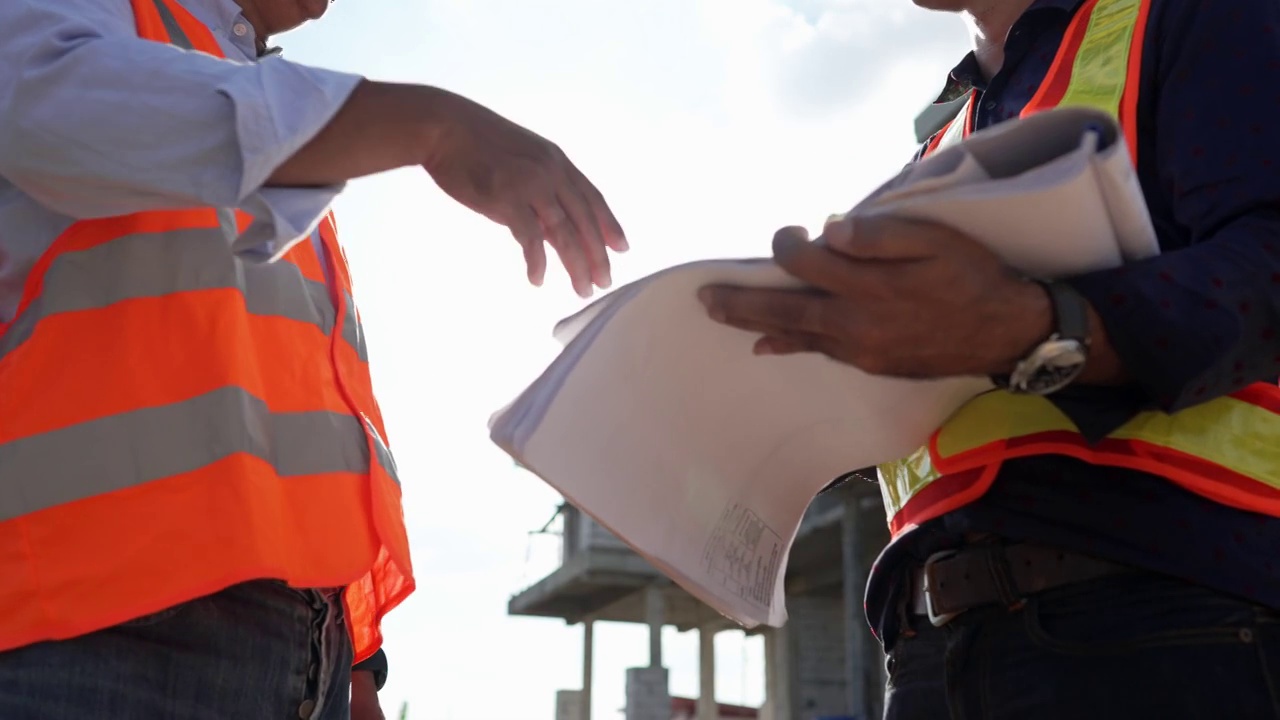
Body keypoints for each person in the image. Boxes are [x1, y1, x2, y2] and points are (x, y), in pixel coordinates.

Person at [0, 1, 625, 719]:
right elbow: (51, 103)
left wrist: (353, 664)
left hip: (303, 663)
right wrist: (430, 123)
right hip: (84, 643)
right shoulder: (84, 19)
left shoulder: (284, 123)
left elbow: (300, 438)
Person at [700, 0, 1280, 717]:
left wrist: (1039, 327)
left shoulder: (1202, 20)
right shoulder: (931, 158)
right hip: (928, 649)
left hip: (1169, 616)